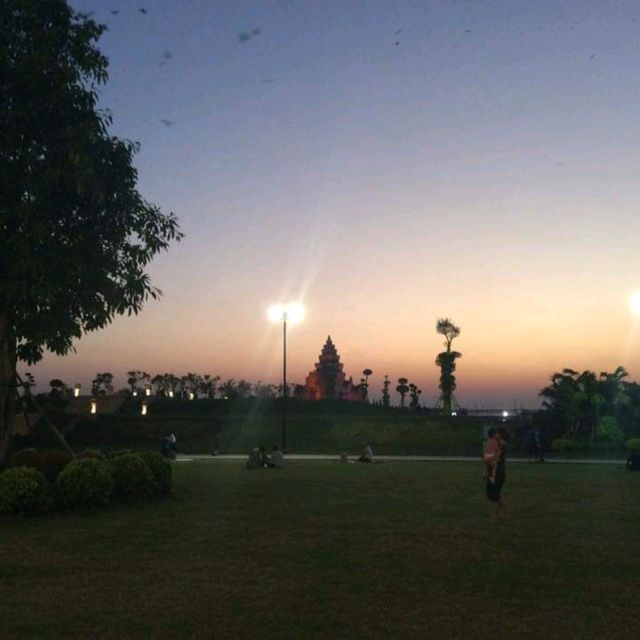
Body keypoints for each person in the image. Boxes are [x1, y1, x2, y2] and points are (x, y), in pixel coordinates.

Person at [484, 428, 507, 522]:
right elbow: (488, 459)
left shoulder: (502, 444)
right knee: (489, 493)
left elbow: (496, 457)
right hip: (491, 472)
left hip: (499, 472)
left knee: (495, 494)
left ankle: (494, 516)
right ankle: (503, 507)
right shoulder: (491, 444)